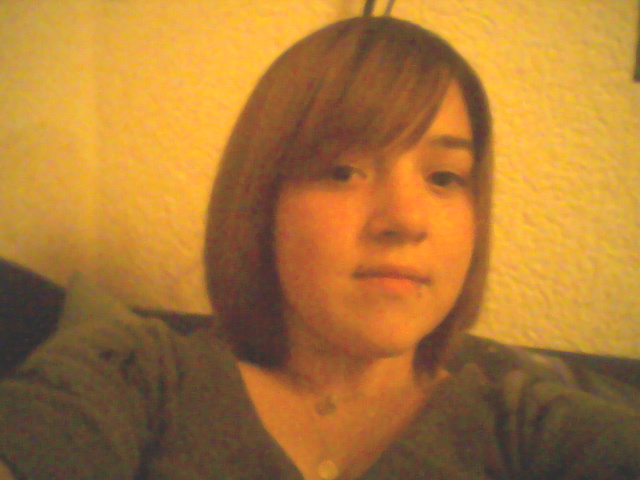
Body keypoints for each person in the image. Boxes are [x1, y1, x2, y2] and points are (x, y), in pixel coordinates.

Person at [0, 16, 638, 480]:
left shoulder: (529, 426)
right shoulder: (130, 374)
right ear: (261, 201)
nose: (405, 219)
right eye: (342, 170)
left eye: (445, 178)